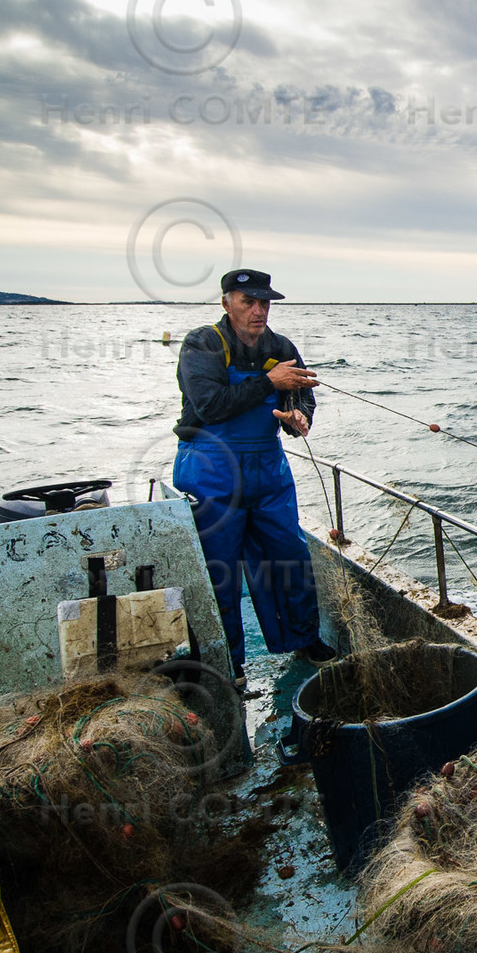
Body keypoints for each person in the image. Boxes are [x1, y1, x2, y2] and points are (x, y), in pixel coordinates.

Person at [173, 267, 336, 694]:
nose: (259, 310)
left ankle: (303, 639)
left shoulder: (281, 347)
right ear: (226, 301)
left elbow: (300, 393)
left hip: (267, 468)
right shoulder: (202, 344)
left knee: (290, 556)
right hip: (210, 468)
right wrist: (269, 381)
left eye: (265, 303)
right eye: (249, 302)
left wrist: (299, 417)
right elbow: (209, 405)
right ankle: (230, 666)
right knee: (219, 570)